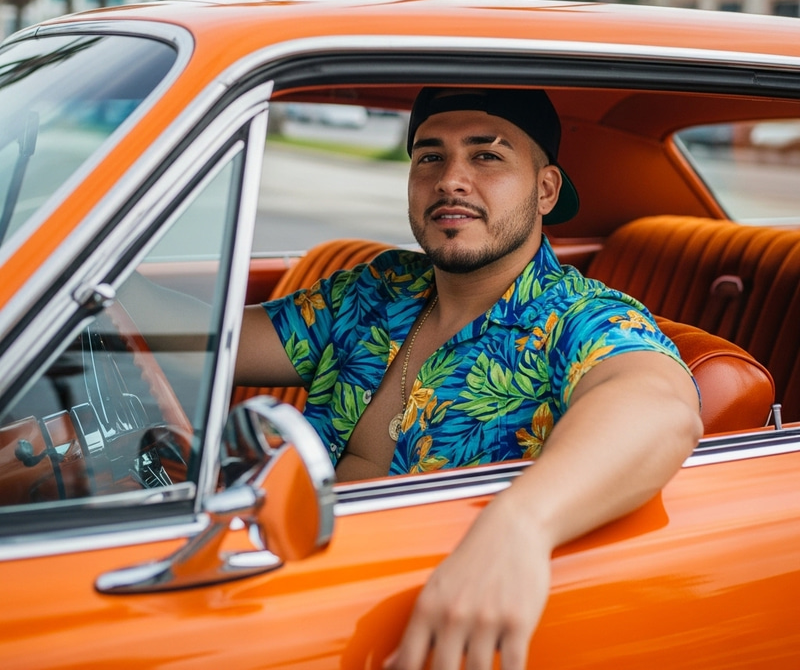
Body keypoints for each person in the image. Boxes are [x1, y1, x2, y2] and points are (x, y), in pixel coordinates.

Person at [235, 86, 703, 670]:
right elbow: (214, 341)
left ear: (545, 190)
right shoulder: (377, 287)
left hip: (406, 623)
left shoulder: (581, 317)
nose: (450, 179)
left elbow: (657, 405)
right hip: (272, 574)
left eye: (487, 155)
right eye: (430, 156)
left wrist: (521, 525)